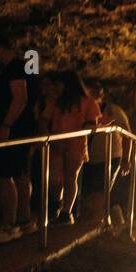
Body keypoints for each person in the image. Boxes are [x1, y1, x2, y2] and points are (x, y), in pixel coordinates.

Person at [0, 39, 37, 244]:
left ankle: (10, 225)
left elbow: (20, 98)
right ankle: (24, 221)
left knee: (3, 175)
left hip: (13, 129)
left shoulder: (15, 68)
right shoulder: (27, 66)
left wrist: (6, 125)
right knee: (20, 173)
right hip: (21, 128)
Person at [39, 71, 100, 224]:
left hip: (76, 144)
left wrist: (88, 128)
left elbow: (92, 122)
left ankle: (66, 212)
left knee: (70, 177)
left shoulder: (88, 102)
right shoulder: (56, 101)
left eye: (58, 84)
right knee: (54, 178)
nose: (55, 87)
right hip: (57, 143)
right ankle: (57, 204)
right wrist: (48, 136)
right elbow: (44, 119)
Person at [85, 80, 130, 225]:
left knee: (100, 191)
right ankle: (105, 221)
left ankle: (99, 224)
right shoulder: (86, 110)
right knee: (92, 194)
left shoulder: (114, 110)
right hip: (90, 157)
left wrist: (125, 159)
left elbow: (127, 135)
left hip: (110, 156)